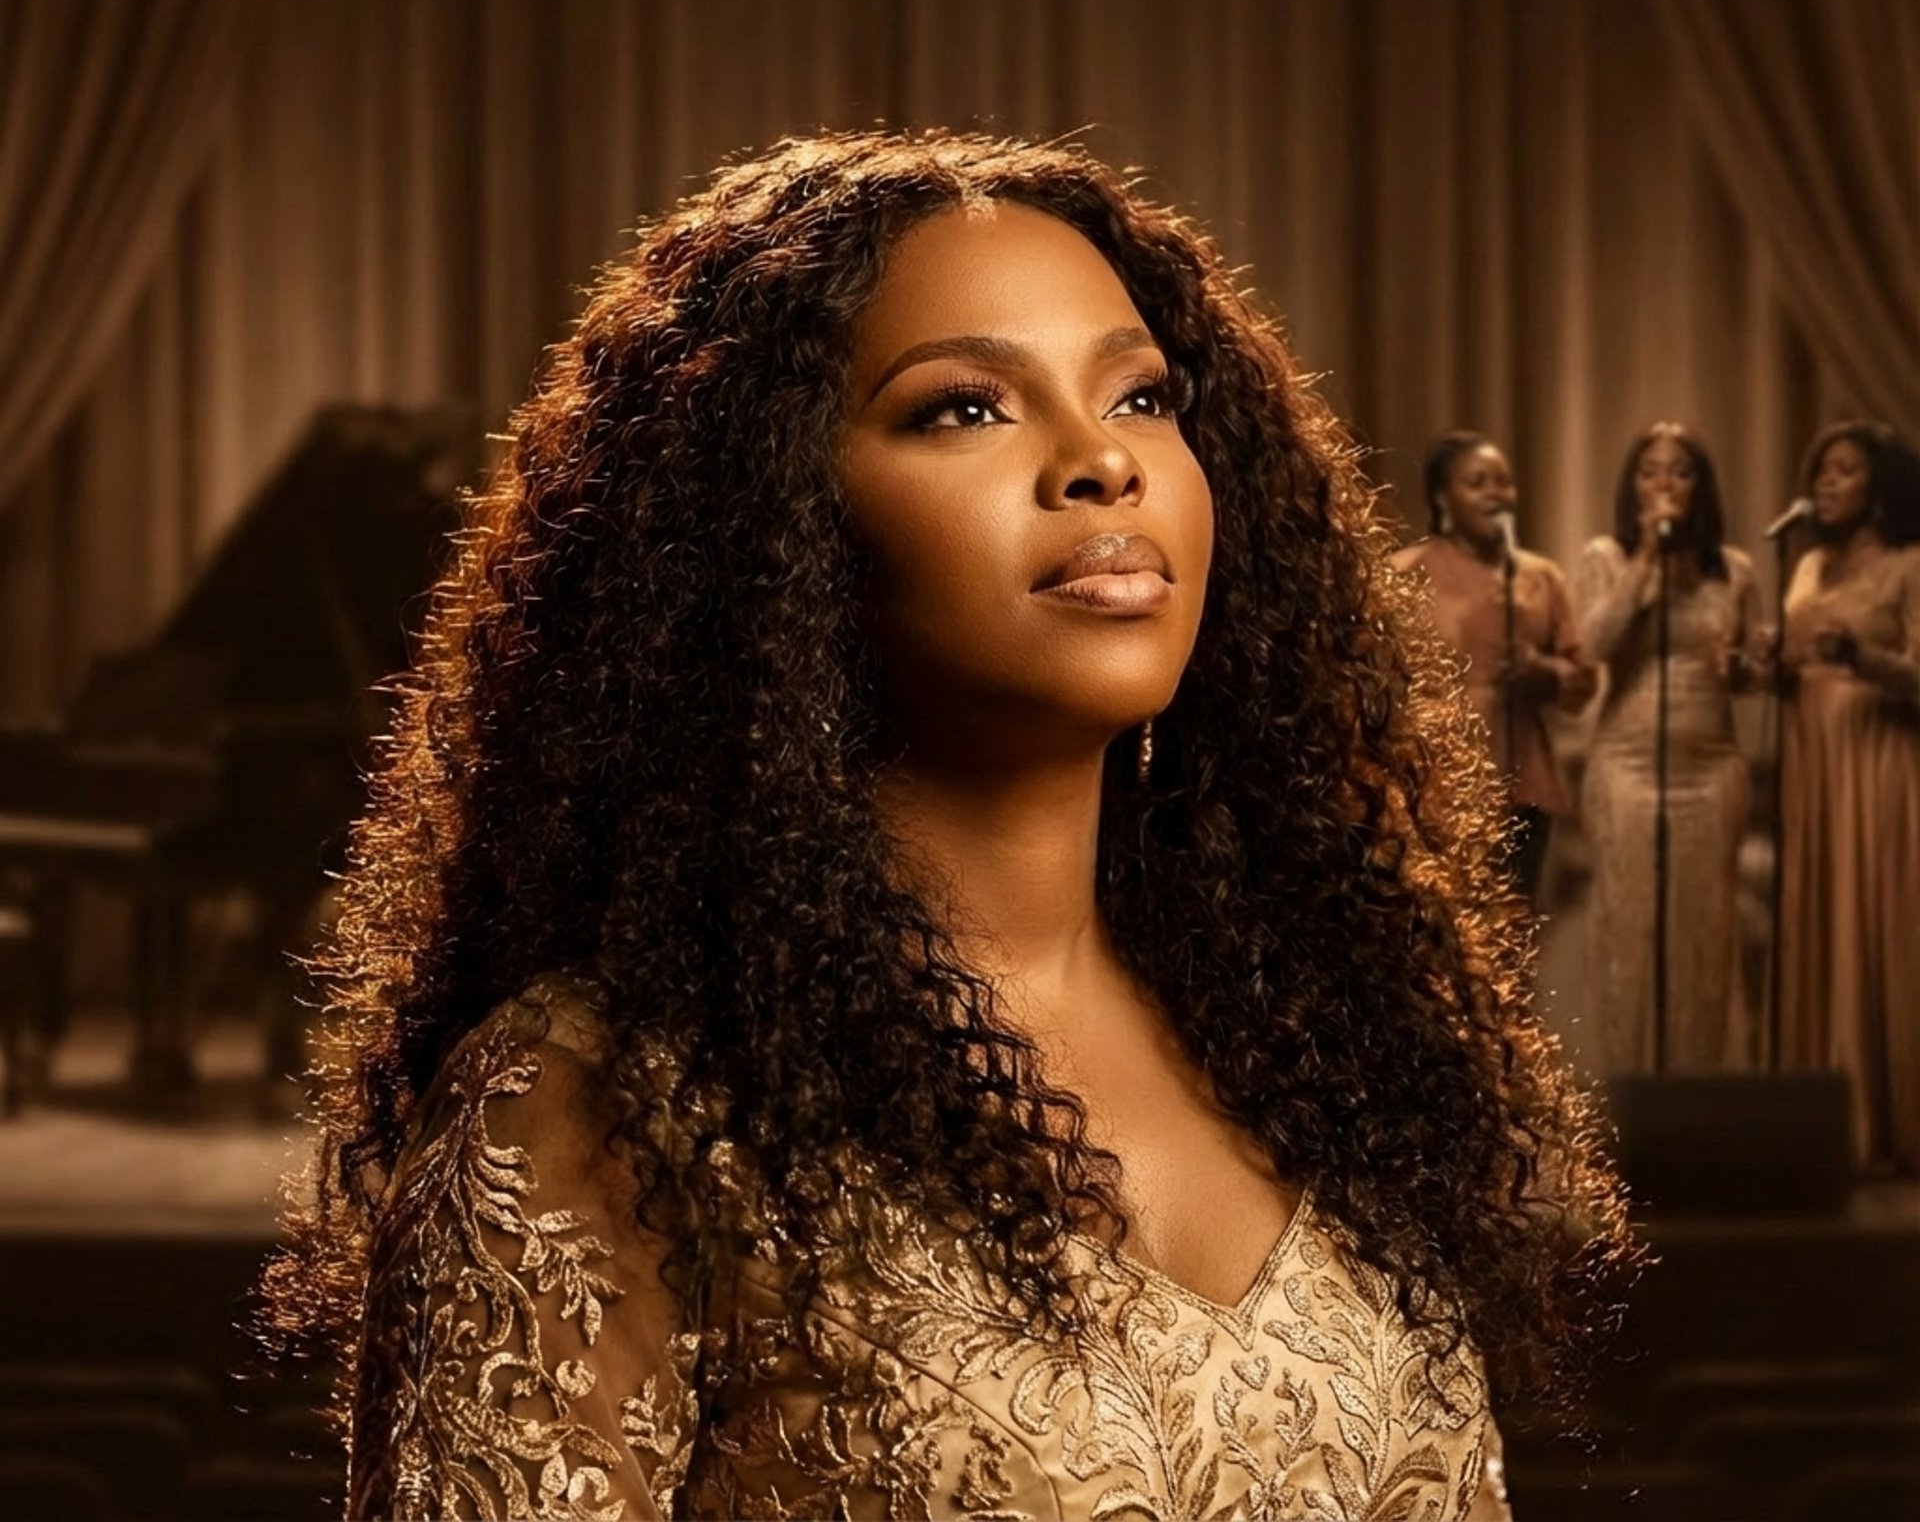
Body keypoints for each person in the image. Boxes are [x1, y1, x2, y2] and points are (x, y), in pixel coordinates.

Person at [266, 131, 1636, 1519]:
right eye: (965, 408)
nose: (1102, 461)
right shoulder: (595, 1104)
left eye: (1144, 396)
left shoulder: (1323, 1047)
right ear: (773, 527)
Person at [1575, 424, 1760, 1075]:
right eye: (1650, 472)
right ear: (1632, 487)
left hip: (1711, 763)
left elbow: (1747, 675)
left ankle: (1696, 1095)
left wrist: (1740, 663)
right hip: (1625, 763)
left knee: (1704, 934)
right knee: (1630, 928)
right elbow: (1593, 645)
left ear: (1700, 486)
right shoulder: (1607, 556)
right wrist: (1647, 564)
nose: (1664, 484)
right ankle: (1630, 1097)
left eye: (1680, 472)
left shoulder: (1732, 568)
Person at [1776, 420, 1920, 1173]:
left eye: (1845, 471)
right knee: (1824, 924)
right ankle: (1827, 1127)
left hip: (1879, 767)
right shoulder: (1806, 567)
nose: (1827, 483)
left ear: (1880, 487)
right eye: (1821, 469)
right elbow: (1792, 665)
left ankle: (1889, 1122)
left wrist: (1859, 657)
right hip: (1815, 772)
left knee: (1873, 921)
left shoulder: (1908, 566)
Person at [1391, 432, 1594, 905]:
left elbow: (1582, 679)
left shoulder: (1539, 578)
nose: (1495, 494)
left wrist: (1545, 673)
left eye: (1502, 482)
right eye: (1477, 482)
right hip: (1433, 783)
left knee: (1513, 928)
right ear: (1443, 497)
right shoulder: (1404, 573)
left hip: (1520, 780)